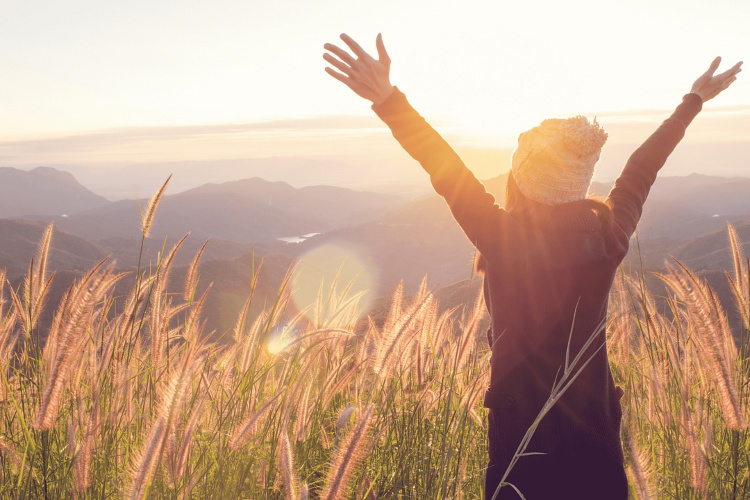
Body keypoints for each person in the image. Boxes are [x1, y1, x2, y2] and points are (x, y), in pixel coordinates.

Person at [323, 33, 742, 499]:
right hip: (596, 441)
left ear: (519, 181)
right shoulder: (609, 236)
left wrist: (387, 99)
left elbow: (445, 169)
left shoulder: (504, 242)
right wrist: (694, 100)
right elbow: (643, 168)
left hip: (520, 448)